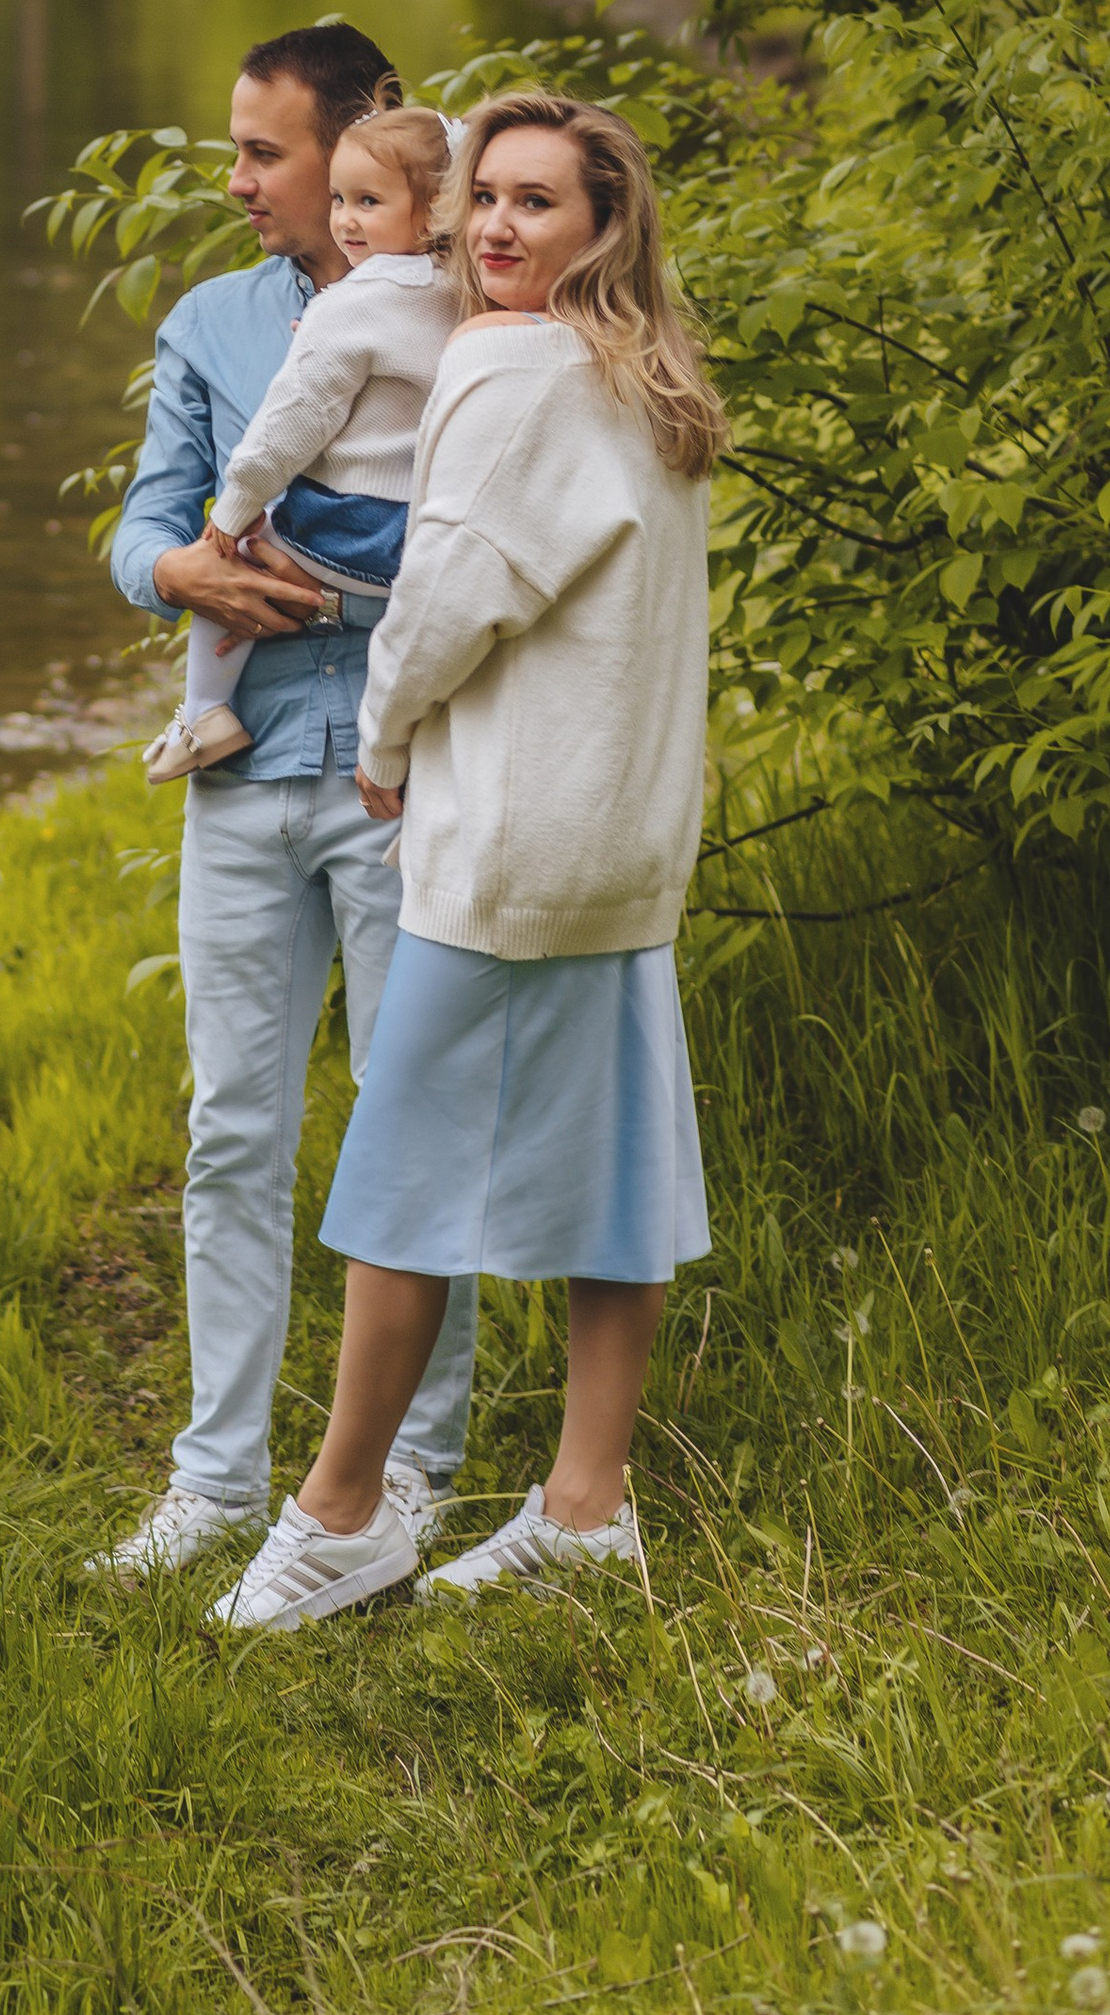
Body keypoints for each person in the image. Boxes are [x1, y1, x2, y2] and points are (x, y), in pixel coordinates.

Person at [209, 86, 725, 1634]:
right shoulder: (651, 381)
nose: (493, 227)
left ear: (604, 227)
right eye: (483, 197)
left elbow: (446, 598)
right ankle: (587, 1501)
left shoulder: (511, 370)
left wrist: (377, 745)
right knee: (617, 1167)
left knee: (394, 1179)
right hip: (621, 839)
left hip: (508, 844)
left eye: (536, 203)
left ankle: (341, 1512)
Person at [90, 28, 479, 1577]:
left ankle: (413, 1470)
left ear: (363, 138)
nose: (237, 180)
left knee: (412, 1120)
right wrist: (170, 566)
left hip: (411, 775)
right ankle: (216, 1479)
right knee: (233, 1124)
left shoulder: (474, 308)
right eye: (233, 150)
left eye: (264, 152)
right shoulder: (214, 320)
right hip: (243, 776)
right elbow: (148, 512)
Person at [149, 104, 460, 783]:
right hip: (420, 538)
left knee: (234, 559)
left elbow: (288, 427)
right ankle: (399, 739)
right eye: (342, 200)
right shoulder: (465, 292)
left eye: (368, 202)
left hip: (349, 530)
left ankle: (203, 713)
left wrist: (230, 515)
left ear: (435, 207)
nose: (347, 219)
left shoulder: (351, 303)